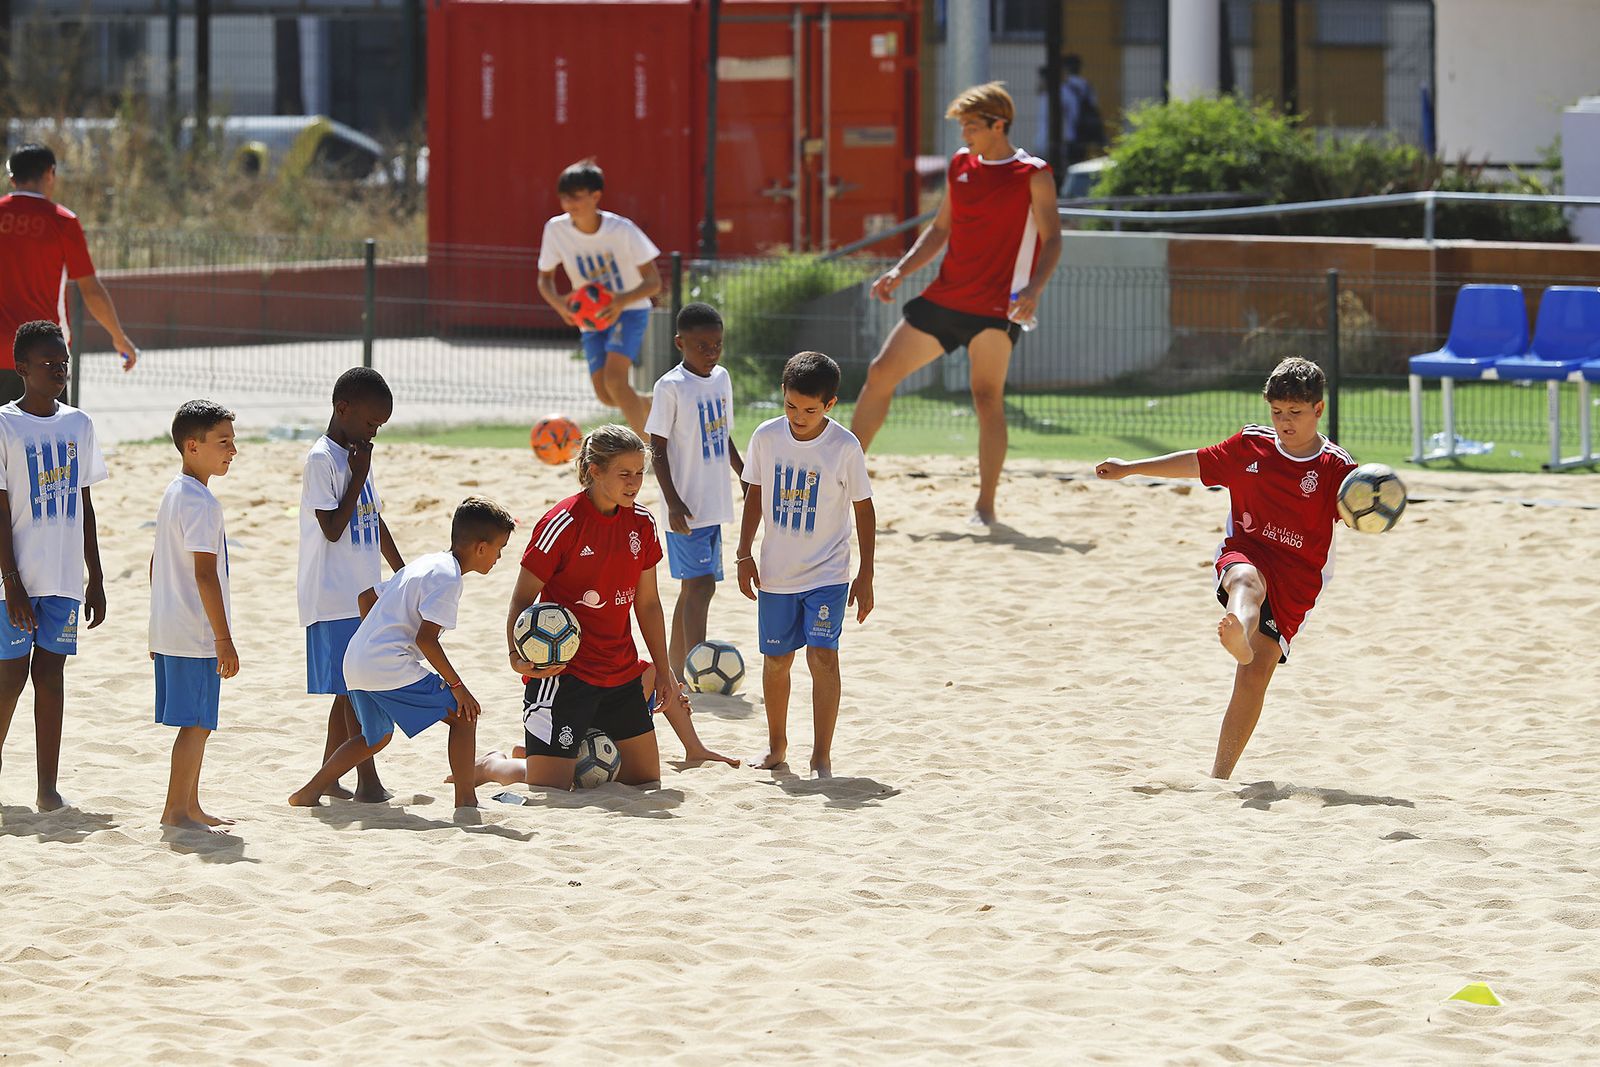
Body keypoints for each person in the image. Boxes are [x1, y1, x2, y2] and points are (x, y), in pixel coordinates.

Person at [1093, 358, 1357, 780]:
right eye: (1277, 412)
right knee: (1245, 581)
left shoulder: (1337, 468)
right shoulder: (1251, 445)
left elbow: (1362, 512)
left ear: (1318, 410)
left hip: (1300, 576)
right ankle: (1238, 628)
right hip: (1248, 548)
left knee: (1254, 678)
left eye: (1296, 412)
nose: (1285, 421)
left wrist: (1375, 511)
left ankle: (1220, 775)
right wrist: (1132, 468)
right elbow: (1197, 463)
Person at [465, 425, 737, 793]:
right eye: (624, 474)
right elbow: (521, 598)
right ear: (594, 471)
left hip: (619, 671)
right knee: (552, 787)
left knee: (645, 780)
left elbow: (648, 603)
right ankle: (493, 764)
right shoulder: (561, 523)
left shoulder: (642, 522)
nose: (635, 483)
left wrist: (665, 672)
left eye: (640, 473)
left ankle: (555, 749)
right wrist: (515, 654)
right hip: (564, 676)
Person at [851, 83, 1061, 526]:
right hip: (946, 298)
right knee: (879, 373)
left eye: (970, 124)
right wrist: (900, 271)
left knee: (987, 399)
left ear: (997, 124)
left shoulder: (1033, 173)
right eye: (962, 124)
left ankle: (984, 506)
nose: (963, 132)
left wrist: (1034, 289)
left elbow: (1053, 238)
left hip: (995, 310)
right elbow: (940, 230)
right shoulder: (960, 165)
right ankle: (845, 477)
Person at [289, 497, 514, 811]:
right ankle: (466, 802)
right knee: (464, 716)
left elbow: (366, 597)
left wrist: (372, 640)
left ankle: (309, 792)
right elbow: (427, 640)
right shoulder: (449, 579)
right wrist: (457, 687)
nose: (499, 556)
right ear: (480, 547)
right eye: (499, 548)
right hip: (385, 666)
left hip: (355, 659)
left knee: (376, 736)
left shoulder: (426, 563)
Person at [737, 352, 875, 779]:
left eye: (810, 410)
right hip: (777, 573)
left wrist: (865, 574)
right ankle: (777, 746)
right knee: (777, 661)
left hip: (828, 574)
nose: (799, 416)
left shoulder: (844, 446)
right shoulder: (765, 437)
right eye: (791, 406)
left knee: (823, 656)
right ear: (782, 394)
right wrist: (744, 553)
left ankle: (821, 756)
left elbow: (864, 511)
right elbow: (754, 495)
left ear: (830, 405)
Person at [0, 321, 108, 810]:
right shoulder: (4, 426)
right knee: (9, 679)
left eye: (64, 362)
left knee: (51, 677)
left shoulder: (78, 424)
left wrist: (96, 577)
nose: (59, 370)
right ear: (21, 368)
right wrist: (12, 583)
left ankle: (47, 789)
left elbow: (83, 505)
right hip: (15, 583)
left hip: (64, 579)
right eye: (48, 363)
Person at [297, 367, 406, 803]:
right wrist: (358, 473)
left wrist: (401, 572)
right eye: (369, 423)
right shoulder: (323, 459)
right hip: (332, 597)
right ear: (342, 409)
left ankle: (331, 777)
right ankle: (367, 782)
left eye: (379, 426)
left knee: (348, 692)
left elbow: (372, 518)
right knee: (355, 690)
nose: (373, 432)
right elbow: (332, 529)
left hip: (364, 595)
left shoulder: (359, 454)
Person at [149, 400, 239, 834]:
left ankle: (191, 804)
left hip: (171, 627)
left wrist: (155, 629)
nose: (232, 450)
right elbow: (205, 575)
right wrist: (224, 639)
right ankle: (175, 811)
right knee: (197, 724)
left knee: (198, 723)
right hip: (194, 633)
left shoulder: (174, 492)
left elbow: (156, 565)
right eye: (223, 442)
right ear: (191, 446)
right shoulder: (201, 503)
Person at [644, 302, 744, 680]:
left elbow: (723, 434)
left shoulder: (722, 378)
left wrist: (744, 476)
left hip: (713, 502)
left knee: (694, 589)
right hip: (685, 506)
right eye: (701, 345)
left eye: (716, 344)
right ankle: (699, 670)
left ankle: (674, 667)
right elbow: (657, 448)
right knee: (701, 586)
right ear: (679, 343)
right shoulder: (671, 387)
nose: (711, 352)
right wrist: (671, 502)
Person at [0, 144, 139, 404]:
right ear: (50, 173)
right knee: (50, 439)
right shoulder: (63, 222)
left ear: (11, 178)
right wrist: (119, 338)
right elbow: (90, 288)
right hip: (44, 354)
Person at [536, 159, 661, 438]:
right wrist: (559, 305)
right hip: (590, 317)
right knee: (606, 395)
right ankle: (652, 404)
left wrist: (619, 300)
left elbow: (654, 283)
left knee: (616, 381)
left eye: (576, 196)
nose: (568, 202)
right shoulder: (556, 230)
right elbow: (544, 279)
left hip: (628, 310)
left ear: (596, 196)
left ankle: (649, 449)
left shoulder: (622, 230)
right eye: (564, 196)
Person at [1035, 55, 1104, 168]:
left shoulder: (1062, 89)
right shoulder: (1086, 86)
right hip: (1079, 135)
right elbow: (1092, 106)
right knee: (1074, 166)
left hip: (1062, 137)